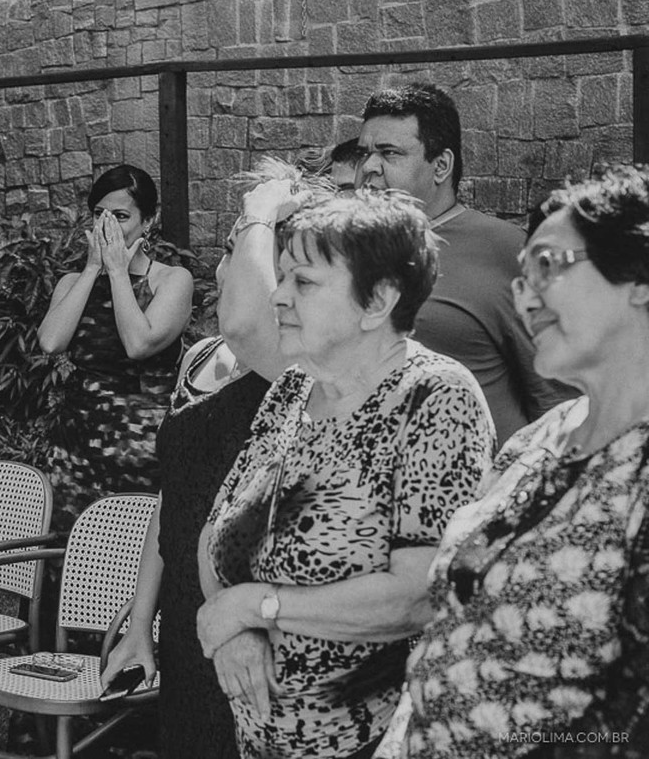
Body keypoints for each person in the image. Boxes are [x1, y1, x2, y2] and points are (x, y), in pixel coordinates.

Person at [196, 190, 495, 759]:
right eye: (281, 277)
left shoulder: (434, 396)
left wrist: (256, 605)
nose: (278, 296)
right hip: (262, 741)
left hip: (376, 740)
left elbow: (418, 596)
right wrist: (235, 629)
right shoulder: (292, 388)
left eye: (303, 282)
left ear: (378, 300)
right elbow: (215, 533)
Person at [404, 165, 649, 757]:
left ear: (640, 279)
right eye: (520, 277)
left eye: (548, 264)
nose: (524, 296)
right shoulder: (539, 440)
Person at [101, 158, 326, 759]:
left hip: (252, 629)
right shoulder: (203, 359)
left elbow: (248, 320)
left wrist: (261, 210)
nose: (222, 267)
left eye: (238, 250)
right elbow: (172, 497)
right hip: (182, 617)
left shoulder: (298, 371)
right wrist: (139, 624)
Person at [357, 82, 574, 444]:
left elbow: (556, 396)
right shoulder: (347, 250)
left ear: (440, 165)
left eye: (389, 153)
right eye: (364, 153)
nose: (369, 167)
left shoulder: (505, 249)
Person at [37, 164, 193, 522]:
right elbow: (50, 341)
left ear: (148, 221)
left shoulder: (171, 280)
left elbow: (139, 343)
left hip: (142, 447)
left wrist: (120, 272)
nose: (107, 226)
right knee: (67, 556)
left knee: (130, 562)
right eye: (98, 215)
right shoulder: (73, 282)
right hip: (76, 445)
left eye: (121, 216)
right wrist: (94, 269)